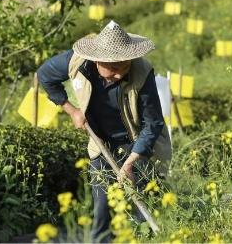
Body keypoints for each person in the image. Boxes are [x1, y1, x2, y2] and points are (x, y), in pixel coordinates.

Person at [37, 20, 172, 243]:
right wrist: (71, 110)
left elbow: (153, 123)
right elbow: (45, 76)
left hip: (137, 144)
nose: (120, 74)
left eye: (124, 67)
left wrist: (130, 162)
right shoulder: (76, 62)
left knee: (143, 206)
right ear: (98, 60)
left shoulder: (142, 71)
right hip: (100, 143)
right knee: (102, 210)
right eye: (115, 68)